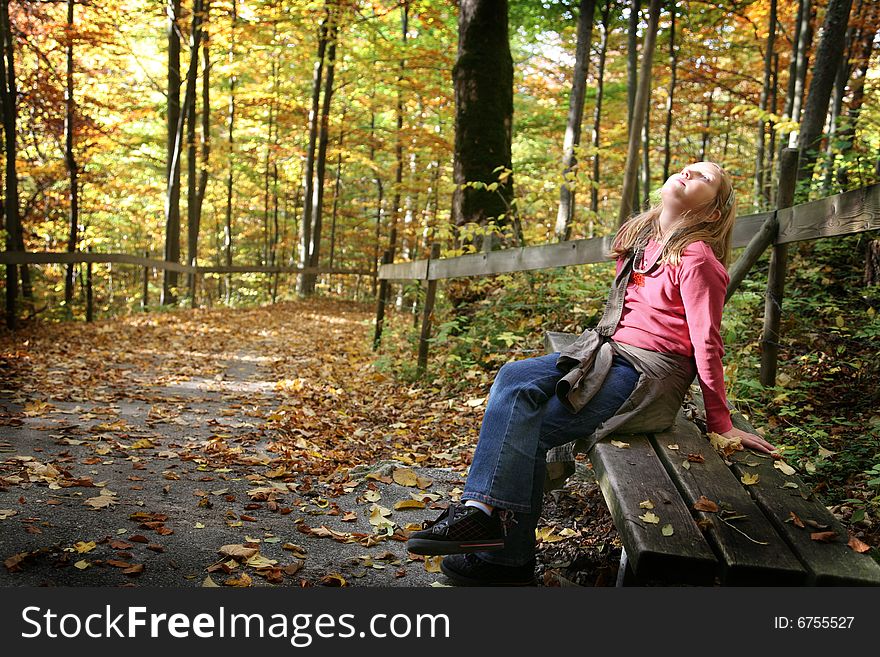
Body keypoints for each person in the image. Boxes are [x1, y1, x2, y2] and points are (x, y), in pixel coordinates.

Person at [406, 161, 778, 586]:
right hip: (610, 352)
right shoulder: (646, 239)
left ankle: (503, 559)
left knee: (529, 427)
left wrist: (721, 423)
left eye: (704, 178)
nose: (688, 173)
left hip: (649, 375)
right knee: (513, 378)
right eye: (688, 167)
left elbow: (707, 344)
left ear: (713, 212)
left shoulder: (699, 261)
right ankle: (483, 521)